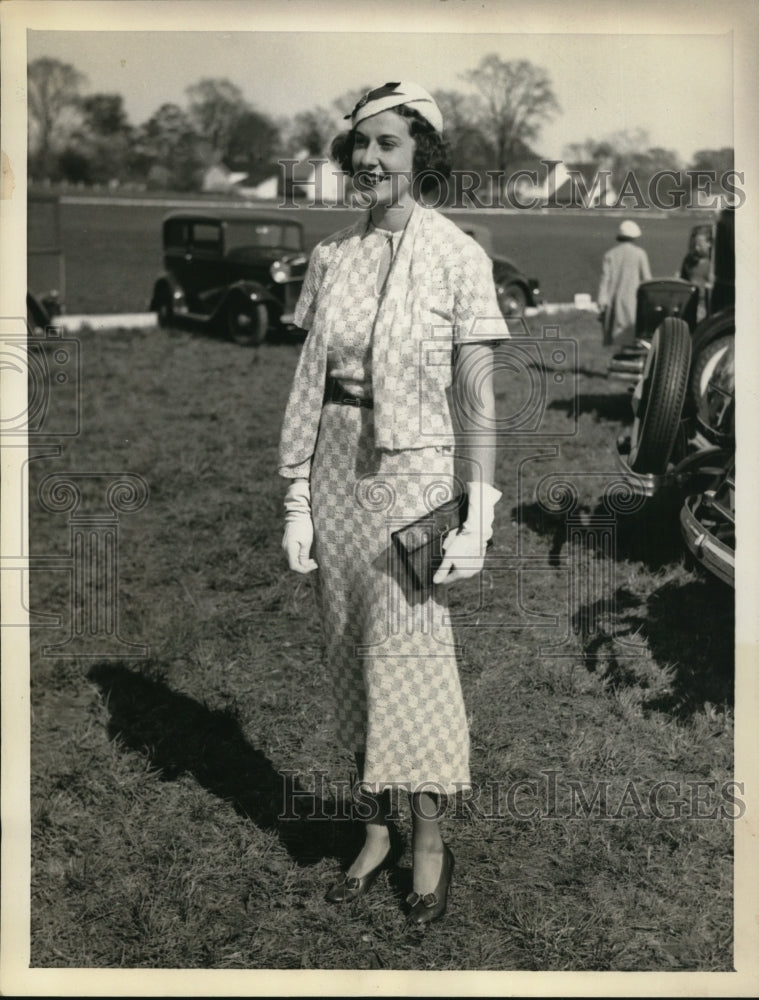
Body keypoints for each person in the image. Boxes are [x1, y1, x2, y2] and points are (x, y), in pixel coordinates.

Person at [278, 81, 507, 925]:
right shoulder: (333, 255)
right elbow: (309, 377)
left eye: (388, 145)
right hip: (336, 465)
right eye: (359, 146)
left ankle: (429, 841)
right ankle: (374, 826)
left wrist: (477, 514)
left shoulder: (457, 255)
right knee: (345, 647)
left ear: (422, 156)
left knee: (411, 655)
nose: (368, 160)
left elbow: (478, 398)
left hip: (413, 473)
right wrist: (296, 494)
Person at [597, 219, 652, 345]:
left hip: (614, 299)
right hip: (633, 299)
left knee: (616, 332)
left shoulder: (610, 254)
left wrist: (601, 300)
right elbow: (647, 279)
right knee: (631, 331)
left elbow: (605, 279)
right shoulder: (640, 254)